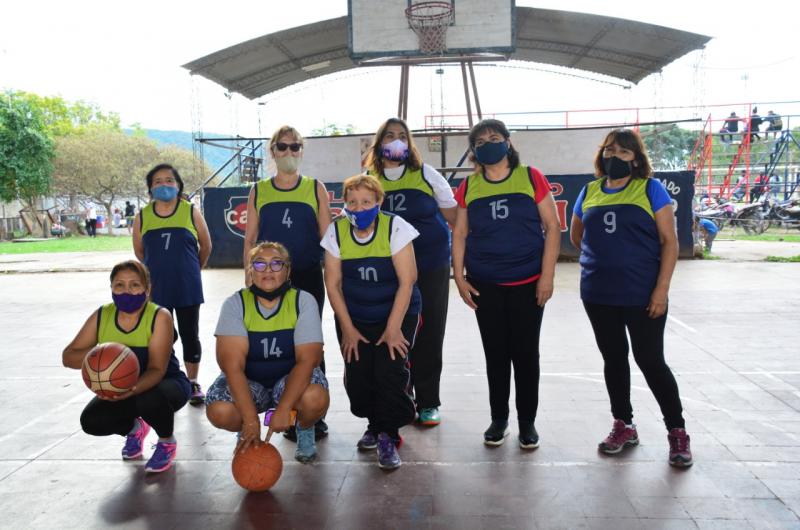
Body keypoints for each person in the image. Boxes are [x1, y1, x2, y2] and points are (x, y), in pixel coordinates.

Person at [569, 128, 693, 467]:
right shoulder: (590, 190)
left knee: (651, 361)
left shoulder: (650, 189)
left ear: (636, 158)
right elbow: (578, 235)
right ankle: (624, 424)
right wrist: (604, 259)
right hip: (598, 293)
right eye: (609, 150)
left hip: (642, 294)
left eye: (623, 152)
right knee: (614, 359)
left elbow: (670, 242)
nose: (614, 157)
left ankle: (677, 431)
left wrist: (661, 289)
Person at [451, 119, 561, 449]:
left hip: (528, 282)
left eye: (495, 138)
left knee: (526, 354)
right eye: (481, 141)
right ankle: (499, 419)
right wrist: (459, 276)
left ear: (508, 142)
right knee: (495, 354)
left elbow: (553, 228)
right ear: (473, 151)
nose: (489, 144)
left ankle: (527, 422)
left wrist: (547, 276)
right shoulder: (470, 187)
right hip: (486, 283)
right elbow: (459, 233)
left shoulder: (531, 177)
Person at [322, 174, 421, 469]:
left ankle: (388, 434)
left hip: (397, 313)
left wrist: (393, 329)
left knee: (389, 373)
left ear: (379, 201)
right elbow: (333, 285)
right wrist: (348, 329)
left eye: (366, 201)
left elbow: (408, 281)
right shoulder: (336, 231)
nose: (359, 207)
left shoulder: (396, 227)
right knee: (359, 377)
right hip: (356, 316)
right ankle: (374, 424)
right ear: (345, 204)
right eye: (352, 202)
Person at [365, 117, 457, 427]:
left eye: (402, 136)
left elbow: (455, 218)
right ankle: (399, 400)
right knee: (394, 332)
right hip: (388, 271)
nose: (395, 140)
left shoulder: (426, 175)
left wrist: (460, 259)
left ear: (409, 143)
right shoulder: (369, 178)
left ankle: (429, 401)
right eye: (389, 135)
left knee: (430, 332)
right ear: (379, 143)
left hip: (430, 265)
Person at [243, 125, 332, 441]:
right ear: (272, 151)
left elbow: (328, 237)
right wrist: (249, 277)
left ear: (302, 151)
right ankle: (285, 409)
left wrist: (335, 276)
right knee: (279, 342)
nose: (289, 152)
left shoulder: (314, 188)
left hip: (307, 277)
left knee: (310, 344)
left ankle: (313, 414)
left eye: (295, 147)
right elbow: (250, 239)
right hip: (269, 280)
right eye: (282, 147)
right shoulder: (259, 190)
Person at [205, 242, 330, 462]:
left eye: (276, 264)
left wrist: (284, 408)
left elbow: (308, 361)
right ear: (250, 270)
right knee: (218, 409)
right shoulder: (235, 304)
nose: (268, 270)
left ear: (288, 270)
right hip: (250, 383)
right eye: (260, 264)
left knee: (315, 398)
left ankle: (304, 427)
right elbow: (232, 367)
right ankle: (244, 429)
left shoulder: (303, 301)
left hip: (289, 380)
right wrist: (251, 420)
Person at [62, 260, 191, 473]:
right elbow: (69, 357)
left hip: (167, 384)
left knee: (146, 397)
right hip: (122, 388)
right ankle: (135, 429)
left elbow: (157, 370)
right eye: (119, 285)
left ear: (147, 289)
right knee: (92, 421)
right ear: (111, 288)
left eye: (135, 285)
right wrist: (104, 354)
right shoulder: (103, 315)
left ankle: (167, 441)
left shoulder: (159, 316)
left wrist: (128, 390)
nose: (127, 291)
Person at [132, 164, 212, 405]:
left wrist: (192, 268)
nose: (163, 185)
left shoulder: (190, 212)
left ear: (178, 186)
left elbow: (206, 246)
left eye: (169, 180)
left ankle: (192, 381)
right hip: (156, 287)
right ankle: (166, 374)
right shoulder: (142, 216)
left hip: (187, 285)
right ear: (150, 189)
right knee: (163, 333)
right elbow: (139, 252)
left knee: (190, 333)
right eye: (157, 181)